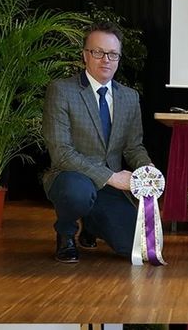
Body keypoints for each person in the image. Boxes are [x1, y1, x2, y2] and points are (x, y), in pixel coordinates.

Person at [42, 20, 153, 263]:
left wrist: (148, 171)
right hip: (72, 178)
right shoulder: (61, 90)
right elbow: (61, 153)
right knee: (78, 192)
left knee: (136, 247)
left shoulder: (129, 97)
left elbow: (134, 147)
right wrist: (112, 177)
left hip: (108, 188)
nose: (105, 60)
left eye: (112, 54)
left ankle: (92, 225)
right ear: (85, 55)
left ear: (119, 58)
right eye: (98, 52)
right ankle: (66, 233)